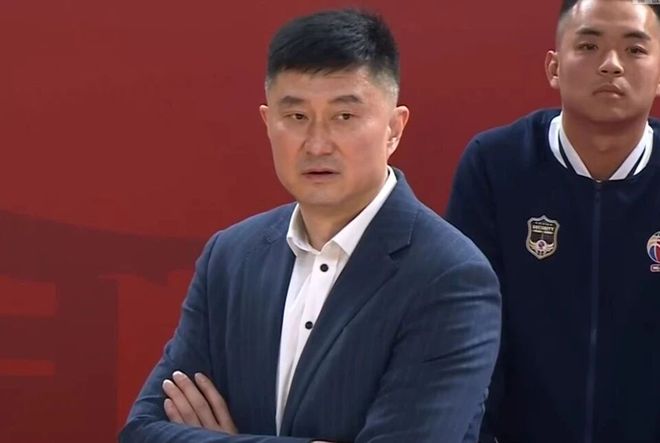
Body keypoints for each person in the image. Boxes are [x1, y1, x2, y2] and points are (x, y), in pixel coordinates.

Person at [119, 9, 501, 443]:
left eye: (344, 117)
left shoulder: (449, 276)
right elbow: (143, 431)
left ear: (394, 129)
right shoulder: (231, 257)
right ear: (268, 123)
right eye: (297, 117)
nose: (317, 144)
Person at [446, 1, 660, 442]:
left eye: (635, 49)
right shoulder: (495, 165)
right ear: (554, 67)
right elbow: (466, 329)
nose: (612, 64)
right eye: (589, 45)